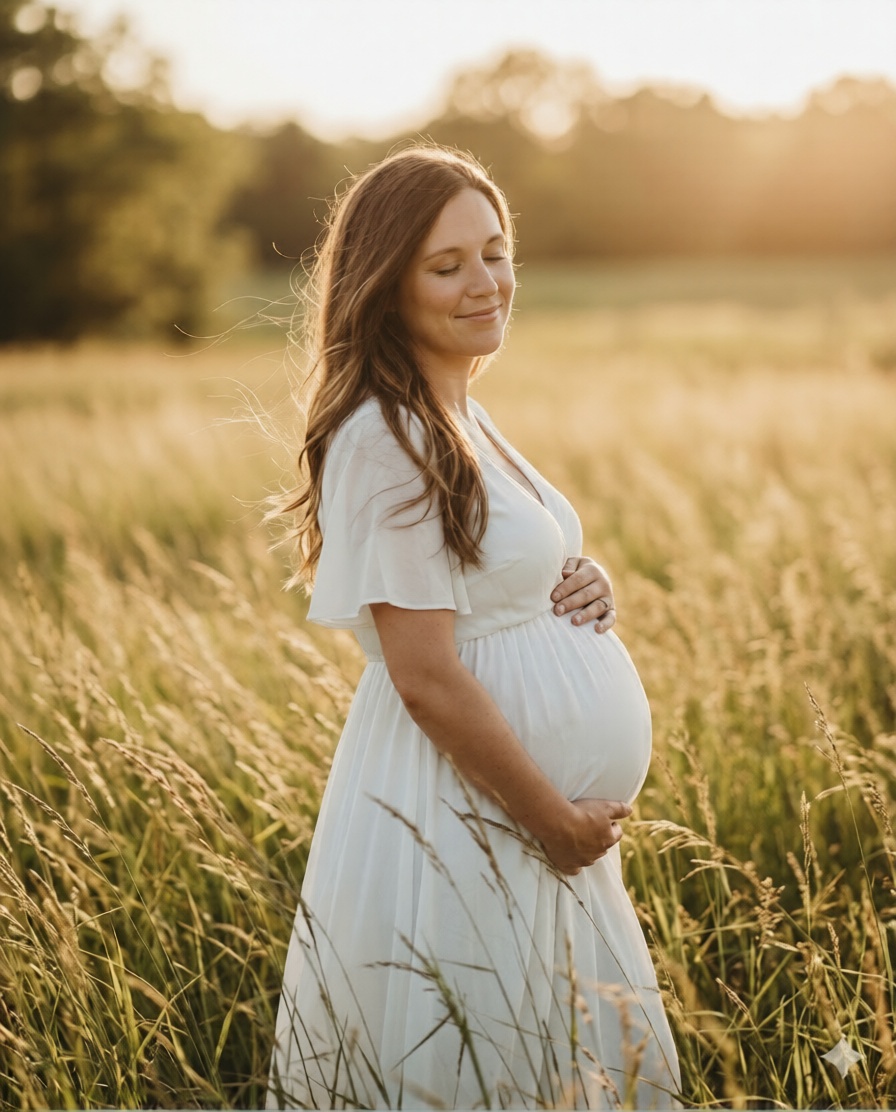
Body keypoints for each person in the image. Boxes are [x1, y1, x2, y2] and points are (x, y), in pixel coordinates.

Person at [267, 144, 680, 1110]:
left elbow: (492, 570)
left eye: (494, 252)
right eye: (446, 265)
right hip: (476, 818)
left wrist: (578, 579)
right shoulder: (381, 435)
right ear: (384, 286)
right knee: (480, 1064)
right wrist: (550, 821)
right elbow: (424, 673)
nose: (485, 282)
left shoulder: (459, 409)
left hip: (529, 828)